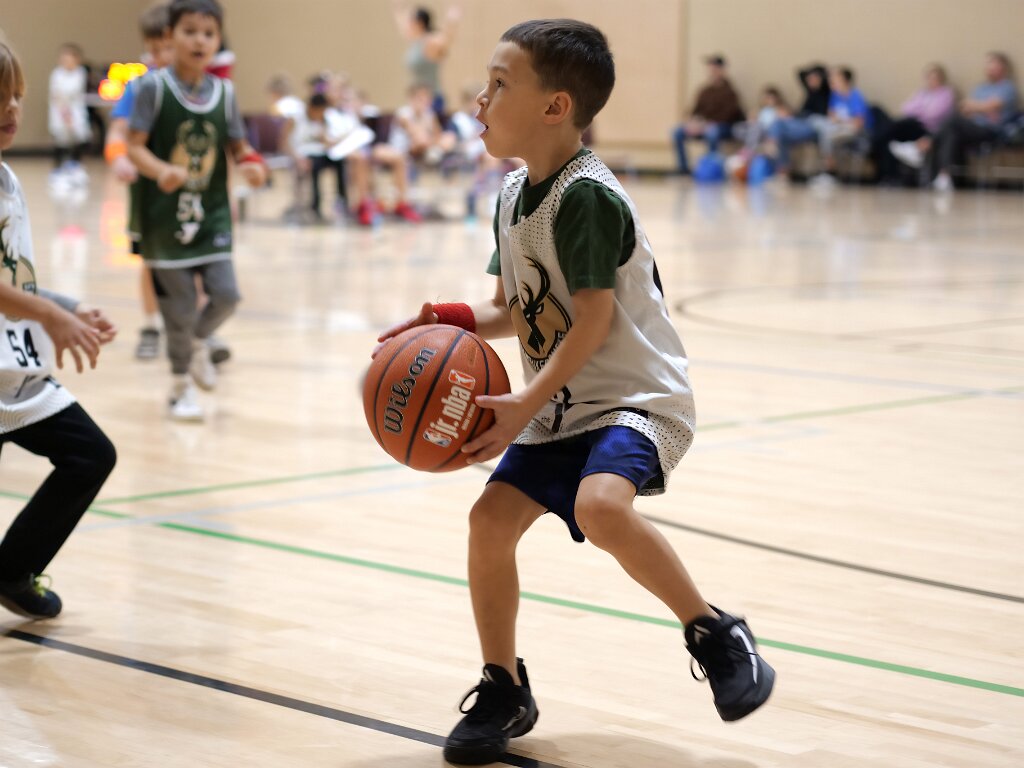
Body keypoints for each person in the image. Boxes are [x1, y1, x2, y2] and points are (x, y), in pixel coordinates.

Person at [375, 19, 775, 766]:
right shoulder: (510, 194)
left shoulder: (587, 197)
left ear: (555, 107)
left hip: (635, 398)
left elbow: (591, 320)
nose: (479, 99)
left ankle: (715, 632)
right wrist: (446, 320)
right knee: (489, 522)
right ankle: (504, 687)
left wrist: (523, 406)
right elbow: (510, 309)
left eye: (499, 85)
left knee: (600, 506)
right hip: (563, 405)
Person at [0, 41, 118, 619]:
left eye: (17, 96)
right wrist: (52, 316)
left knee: (90, 455)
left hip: (13, 370)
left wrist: (68, 307)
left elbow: (13, 280)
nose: (12, 108)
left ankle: (11, 569)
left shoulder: (8, 179)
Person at [127, 0, 267, 422]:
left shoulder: (225, 93)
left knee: (227, 295)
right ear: (170, 36)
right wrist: (161, 170)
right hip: (164, 219)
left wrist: (252, 165)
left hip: (211, 214)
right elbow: (134, 146)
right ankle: (179, 389)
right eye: (189, 31)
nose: (199, 41)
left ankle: (198, 342)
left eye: (208, 33)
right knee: (179, 308)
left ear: (218, 40)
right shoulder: (151, 89)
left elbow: (239, 146)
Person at [105, 3, 175, 361]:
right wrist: (118, 157)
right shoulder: (139, 86)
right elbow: (117, 130)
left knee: (196, 264)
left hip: (190, 192)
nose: (160, 56)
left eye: (167, 47)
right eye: (153, 48)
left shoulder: (202, 89)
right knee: (151, 261)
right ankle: (151, 325)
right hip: (149, 191)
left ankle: (196, 331)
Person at [920, 52, 1018, 191]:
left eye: (993, 64)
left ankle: (928, 141)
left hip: (992, 131)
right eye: (988, 64)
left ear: (1003, 68)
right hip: (973, 127)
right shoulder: (981, 88)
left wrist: (979, 107)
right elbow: (965, 108)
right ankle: (944, 177)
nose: (989, 68)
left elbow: (991, 106)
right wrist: (982, 108)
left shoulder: (1008, 87)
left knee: (952, 120)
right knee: (951, 134)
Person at [876, 64, 955, 183]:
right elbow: (906, 109)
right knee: (891, 131)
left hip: (931, 130)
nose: (931, 81)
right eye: (929, 78)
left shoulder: (946, 94)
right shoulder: (922, 93)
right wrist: (923, 110)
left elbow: (933, 114)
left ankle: (912, 148)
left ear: (941, 79)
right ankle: (890, 174)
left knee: (902, 125)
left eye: (934, 78)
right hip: (915, 125)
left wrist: (919, 109)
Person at [670, 55, 744, 175]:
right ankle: (683, 169)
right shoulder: (704, 91)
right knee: (677, 131)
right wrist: (692, 122)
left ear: (721, 70)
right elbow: (695, 111)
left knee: (712, 132)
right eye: (710, 69)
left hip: (723, 127)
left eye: (715, 69)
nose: (712, 72)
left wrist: (707, 123)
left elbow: (729, 115)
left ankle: (711, 169)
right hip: (703, 125)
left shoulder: (730, 92)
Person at [281, 93, 349, 221]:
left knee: (340, 162)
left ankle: (342, 201)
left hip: (320, 153)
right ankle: (315, 205)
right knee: (313, 165)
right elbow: (284, 143)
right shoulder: (295, 119)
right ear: (312, 108)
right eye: (320, 111)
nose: (321, 114)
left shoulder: (323, 120)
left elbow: (325, 141)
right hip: (301, 155)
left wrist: (333, 140)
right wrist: (297, 158)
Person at [391, 3, 461, 115]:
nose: (406, 22)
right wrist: (397, 8)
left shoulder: (430, 42)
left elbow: (446, 39)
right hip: (417, 100)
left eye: (409, 19)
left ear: (419, 23)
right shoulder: (414, 39)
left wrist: (452, 19)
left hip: (432, 100)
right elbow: (401, 24)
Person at [810, 66, 872, 187]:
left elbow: (859, 123)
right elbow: (831, 116)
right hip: (838, 129)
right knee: (821, 126)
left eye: (835, 78)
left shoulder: (855, 96)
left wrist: (841, 120)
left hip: (857, 132)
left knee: (827, 136)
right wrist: (836, 120)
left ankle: (830, 172)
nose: (832, 81)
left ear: (844, 80)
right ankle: (828, 171)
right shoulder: (835, 96)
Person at [765, 63, 831, 176]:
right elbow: (800, 73)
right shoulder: (810, 92)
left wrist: (823, 74)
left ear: (821, 78)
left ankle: (771, 144)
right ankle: (783, 170)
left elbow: (821, 115)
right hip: (800, 123)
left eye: (813, 77)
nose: (810, 80)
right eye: (809, 78)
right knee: (781, 132)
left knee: (778, 124)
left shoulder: (826, 92)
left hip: (813, 126)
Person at [48, 43, 91, 187]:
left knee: (79, 139)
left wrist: (72, 116)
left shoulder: (80, 73)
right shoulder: (57, 74)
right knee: (61, 141)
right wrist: (65, 115)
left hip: (76, 111)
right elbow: (58, 96)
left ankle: (76, 168)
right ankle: (58, 170)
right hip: (60, 112)